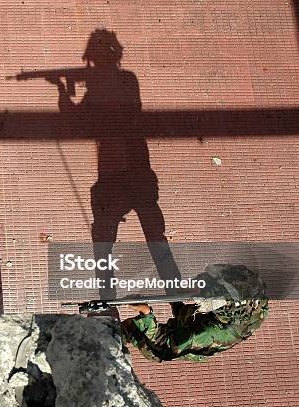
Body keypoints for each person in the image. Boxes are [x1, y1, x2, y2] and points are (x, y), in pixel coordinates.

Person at [46, 29, 181, 300]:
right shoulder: (128, 80)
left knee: (103, 242)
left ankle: (108, 301)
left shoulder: (101, 87)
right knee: (155, 234)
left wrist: (64, 90)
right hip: (139, 170)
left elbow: (74, 117)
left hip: (112, 174)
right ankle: (176, 294)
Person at [120, 264, 269, 362]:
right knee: (183, 310)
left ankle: (110, 337)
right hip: (214, 320)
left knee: (132, 327)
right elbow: (205, 284)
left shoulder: (203, 334)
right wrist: (177, 292)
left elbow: (163, 348)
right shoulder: (248, 291)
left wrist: (145, 312)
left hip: (167, 347)